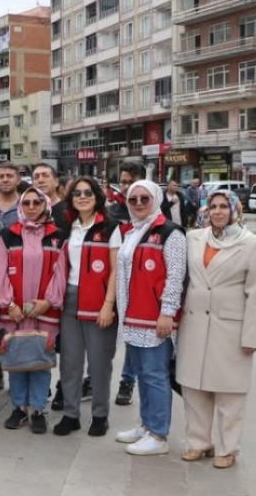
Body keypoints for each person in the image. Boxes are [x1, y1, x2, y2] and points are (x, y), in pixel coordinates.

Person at [177, 190, 256, 469]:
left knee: (230, 392)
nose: (217, 211)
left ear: (234, 210)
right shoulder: (193, 238)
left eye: (223, 206)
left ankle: (228, 448)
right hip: (194, 324)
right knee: (194, 388)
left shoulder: (251, 244)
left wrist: (252, 336)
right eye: (212, 206)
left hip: (230, 328)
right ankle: (198, 442)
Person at [114, 180, 186, 456]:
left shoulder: (170, 233)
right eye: (133, 200)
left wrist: (167, 312)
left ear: (155, 199)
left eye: (145, 198)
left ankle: (158, 434)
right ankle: (146, 425)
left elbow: (175, 276)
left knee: (156, 375)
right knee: (143, 374)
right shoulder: (133, 231)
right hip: (133, 316)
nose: (139, 203)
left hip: (155, 318)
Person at [0, 186, 67, 434]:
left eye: (37, 203)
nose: (32, 207)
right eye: (27, 203)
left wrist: (48, 302)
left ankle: (37, 409)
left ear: (45, 206)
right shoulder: (8, 234)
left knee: (40, 360)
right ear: (20, 207)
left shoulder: (57, 236)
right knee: (16, 358)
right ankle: (18, 407)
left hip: (44, 311)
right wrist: (9, 304)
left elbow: (61, 272)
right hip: (14, 312)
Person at [53, 177, 120, 437]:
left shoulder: (110, 227)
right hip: (69, 298)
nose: (82, 197)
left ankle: (100, 415)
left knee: (99, 361)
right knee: (70, 360)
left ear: (97, 197)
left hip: (99, 300)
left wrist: (108, 304)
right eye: (77, 193)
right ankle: (71, 414)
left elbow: (115, 270)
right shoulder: (69, 227)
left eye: (88, 192)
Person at [110, 160, 145, 407]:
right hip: (110, 279)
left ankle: (127, 380)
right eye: (122, 181)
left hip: (138, 282)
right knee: (100, 334)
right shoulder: (111, 212)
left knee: (132, 335)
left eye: (130, 182)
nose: (125, 187)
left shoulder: (151, 212)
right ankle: (91, 378)